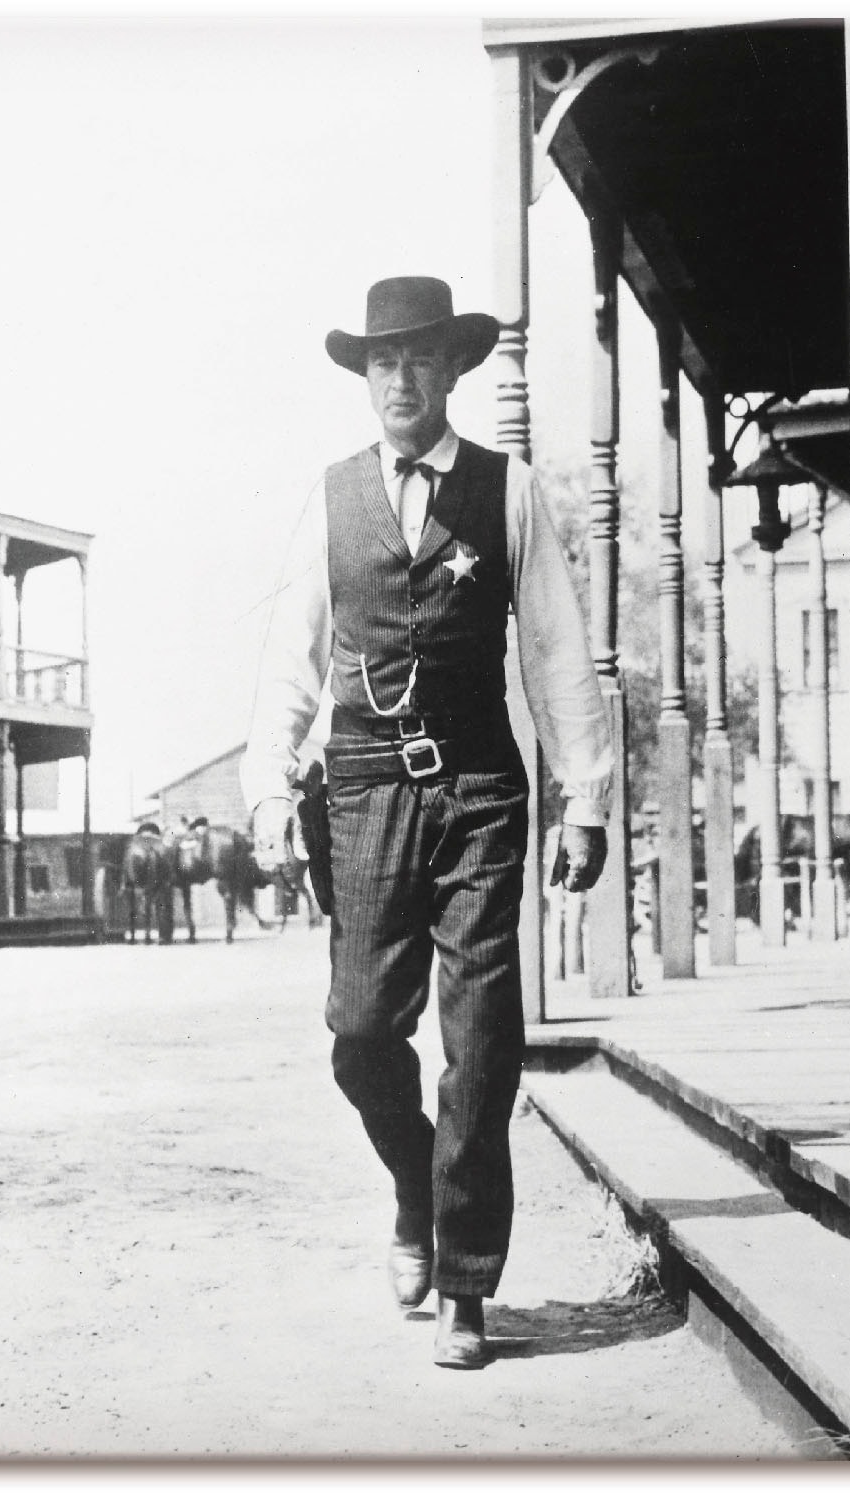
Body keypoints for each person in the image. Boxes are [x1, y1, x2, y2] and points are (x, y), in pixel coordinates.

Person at [245, 276, 612, 1369]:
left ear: (452, 371)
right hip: (361, 789)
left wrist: (583, 795)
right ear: (365, 377)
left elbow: (554, 648)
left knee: (482, 1041)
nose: (399, 379)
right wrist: (271, 787)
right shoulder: (330, 498)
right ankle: (414, 1180)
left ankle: (465, 1279)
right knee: (360, 1031)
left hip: (481, 791)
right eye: (381, 361)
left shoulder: (508, 491)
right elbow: (290, 656)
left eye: (418, 359)